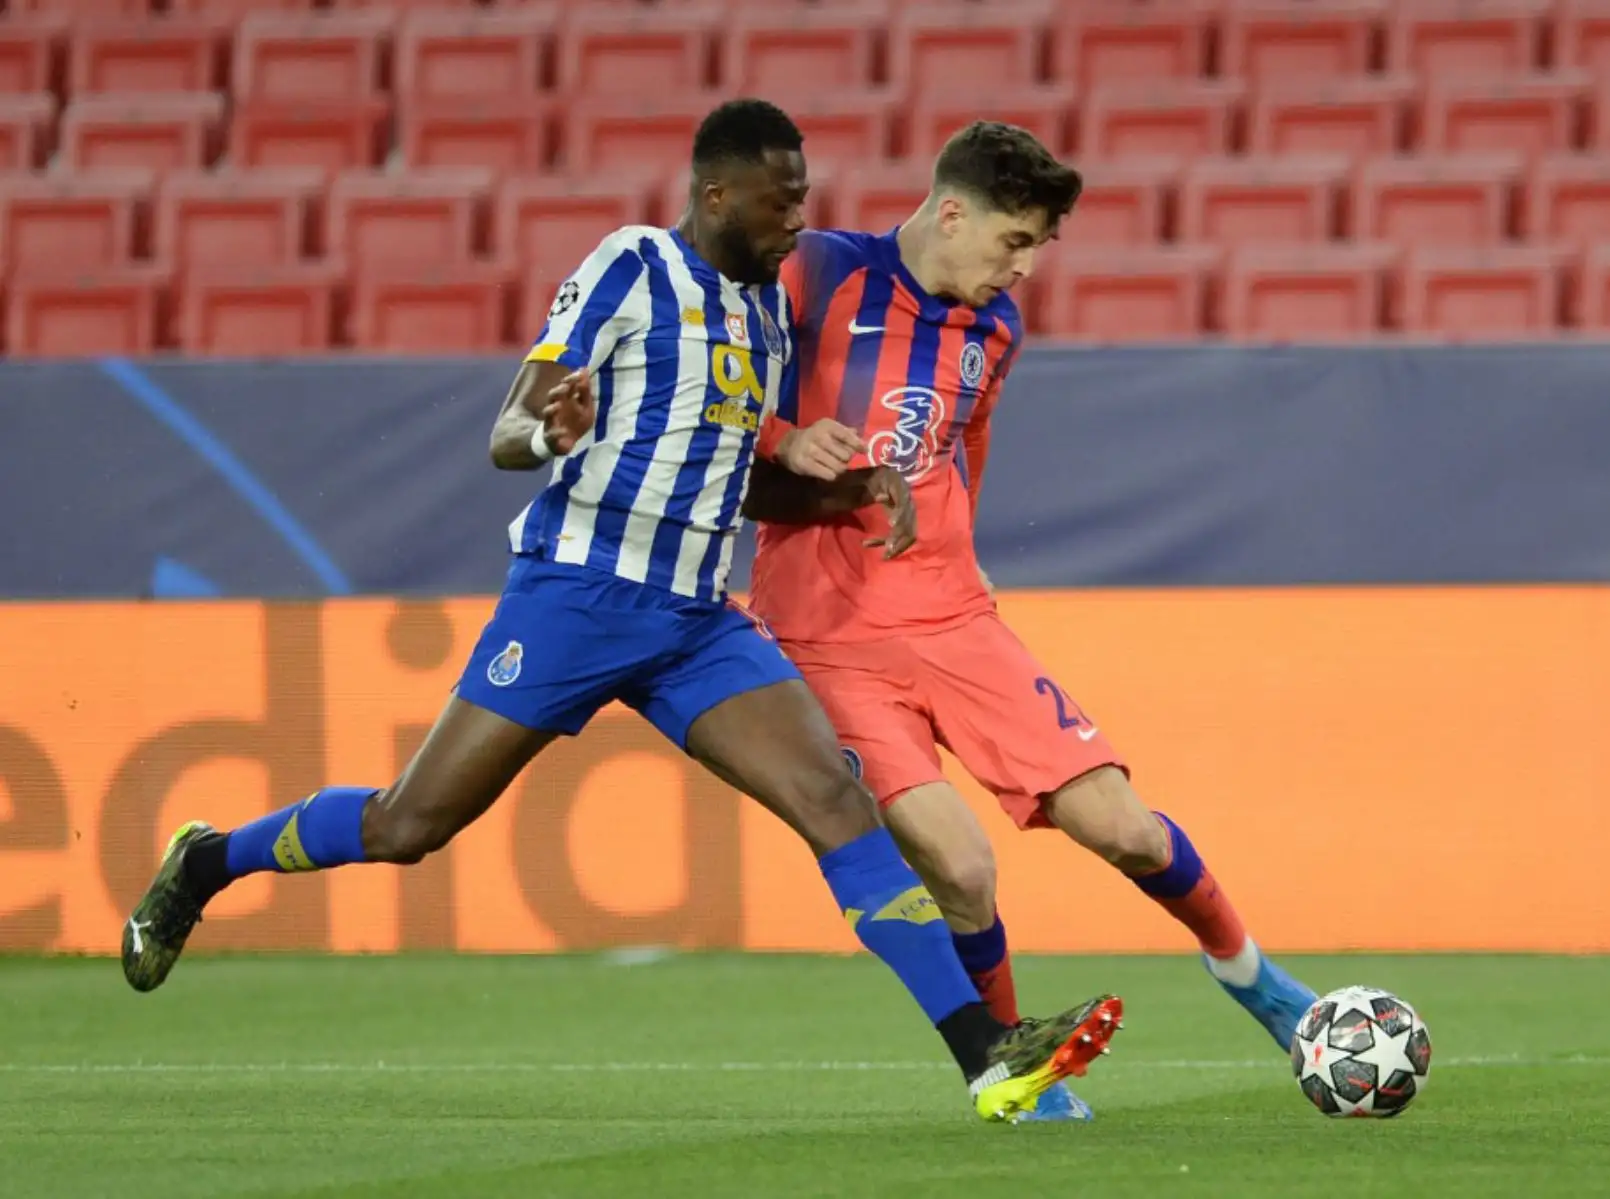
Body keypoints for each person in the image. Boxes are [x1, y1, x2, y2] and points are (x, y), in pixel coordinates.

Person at [119, 100, 1122, 1124]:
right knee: (408, 822)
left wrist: (846, 489)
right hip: (578, 597)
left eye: (802, 204)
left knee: (837, 798)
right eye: (780, 205)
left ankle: (984, 1055)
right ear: (717, 194)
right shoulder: (631, 267)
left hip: (694, 619)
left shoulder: (765, 315)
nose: (794, 225)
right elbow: (514, 426)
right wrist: (546, 429)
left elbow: (742, 480)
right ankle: (208, 858)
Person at [744, 121, 1316, 1122]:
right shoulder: (818, 272)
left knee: (1128, 830)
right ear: (951, 211)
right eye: (1014, 241)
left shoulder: (994, 330)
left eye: (1037, 250)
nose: (1022, 268)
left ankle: (1254, 977)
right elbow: (706, 396)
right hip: (825, 637)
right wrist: (788, 440)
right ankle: (1021, 1071)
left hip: (956, 616)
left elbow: (964, 447)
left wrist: (958, 561)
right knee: (961, 866)